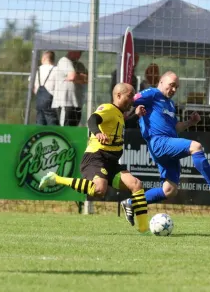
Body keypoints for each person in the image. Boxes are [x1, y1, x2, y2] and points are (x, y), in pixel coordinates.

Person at [120, 71, 210, 214]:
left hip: (168, 143)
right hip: (159, 142)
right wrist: (130, 113)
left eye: (176, 87)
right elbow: (128, 101)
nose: (174, 90)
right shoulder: (151, 93)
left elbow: (175, 127)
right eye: (171, 85)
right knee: (196, 146)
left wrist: (190, 122)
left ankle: (131, 203)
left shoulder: (170, 104)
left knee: (169, 190)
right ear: (161, 82)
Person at [39, 83, 151, 233]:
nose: (132, 100)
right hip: (96, 157)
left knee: (136, 184)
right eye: (130, 96)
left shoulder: (118, 114)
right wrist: (98, 132)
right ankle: (55, 178)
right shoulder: (108, 108)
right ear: (118, 95)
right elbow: (92, 119)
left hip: (112, 161)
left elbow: (125, 124)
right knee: (99, 190)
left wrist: (137, 115)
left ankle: (144, 229)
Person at [52, 50, 87, 126]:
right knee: (66, 130)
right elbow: (72, 76)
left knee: (73, 130)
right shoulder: (64, 61)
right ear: (72, 51)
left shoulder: (80, 65)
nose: (80, 54)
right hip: (65, 104)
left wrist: (77, 77)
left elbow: (88, 78)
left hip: (77, 104)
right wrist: (79, 77)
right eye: (79, 52)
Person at [33, 50, 59, 125]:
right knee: (52, 122)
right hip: (51, 101)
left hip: (39, 100)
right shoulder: (56, 69)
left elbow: (34, 88)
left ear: (44, 58)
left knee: (40, 121)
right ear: (53, 59)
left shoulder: (38, 69)